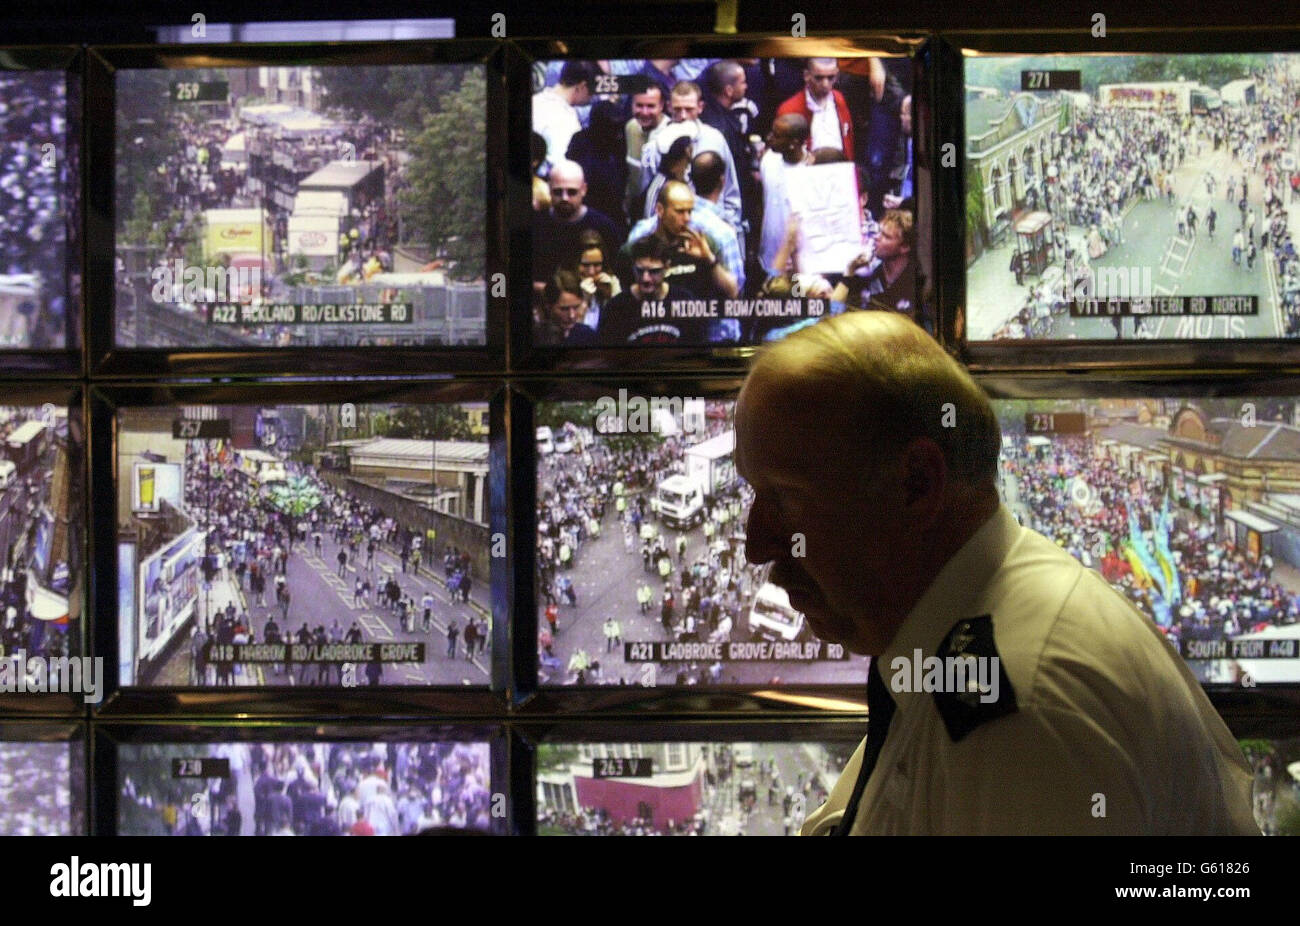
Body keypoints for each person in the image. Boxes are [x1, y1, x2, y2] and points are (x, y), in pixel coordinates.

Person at [734, 311, 1258, 835]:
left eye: (785, 497)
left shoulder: (1023, 718)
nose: (757, 546)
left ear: (917, 484)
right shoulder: (965, 654)